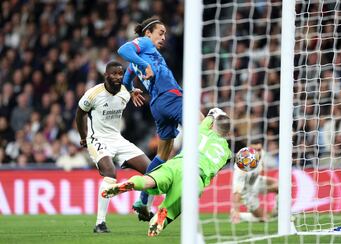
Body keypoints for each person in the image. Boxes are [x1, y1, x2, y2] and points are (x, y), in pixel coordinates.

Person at [102, 108, 232, 236]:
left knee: (149, 181)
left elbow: (210, 115)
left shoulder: (202, 129)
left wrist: (213, 115)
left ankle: (132, 183)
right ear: (227, 132)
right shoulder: (226, 153)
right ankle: (161, 219)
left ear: (212, 125)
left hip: (178, 164)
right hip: (196, 177)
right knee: (171, 208)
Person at [117, 16, 184, 220]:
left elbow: (127, 79)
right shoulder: (144, 43)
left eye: (165, 34)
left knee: (163, 155)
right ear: (148, 33)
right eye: (160, 32)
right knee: (205, 125)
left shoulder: (135, 64)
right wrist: (144, 65)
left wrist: (131, 91)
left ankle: (143, 199)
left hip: (157, 105)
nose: (163, 37)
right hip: (170, 95)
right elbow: (123, 50)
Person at [75, 61, 151, 233]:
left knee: (152, 170)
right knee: (110, 174)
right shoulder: (93, 94)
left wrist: (132, 92)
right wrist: (83, 136)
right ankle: (100, 223)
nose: (118, 77)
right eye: (114, 74)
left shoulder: (125, 92)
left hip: (117, 139)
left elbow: (129, 91)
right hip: (97, 139)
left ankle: (144, 208)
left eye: (120, 74)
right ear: (106, 75)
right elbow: (80, 114)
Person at [230, 142, 278, 223]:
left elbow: (273, 163)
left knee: (280, 186)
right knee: (264, 219)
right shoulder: (240, 171)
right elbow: (237, 193)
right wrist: (236, 210)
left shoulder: (258, 154)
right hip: (246, 192)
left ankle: (277, 211)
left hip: (256, 181)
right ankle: (238, 215)